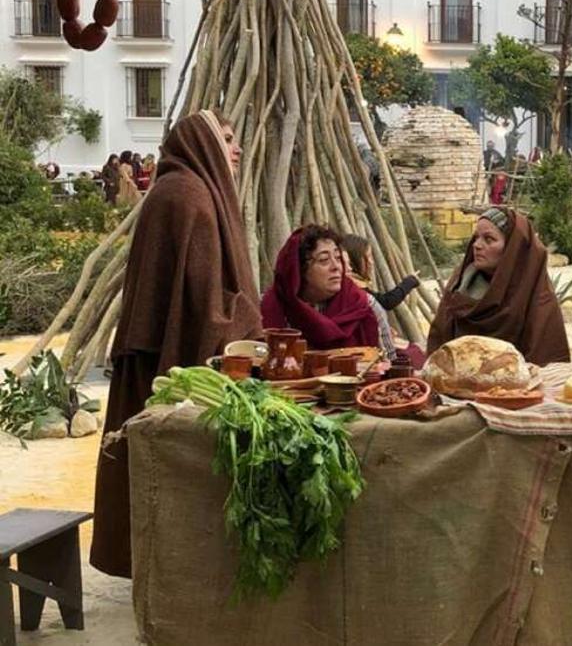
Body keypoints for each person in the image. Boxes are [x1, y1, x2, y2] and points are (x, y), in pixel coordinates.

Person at [91, 110, 263, 578]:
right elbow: (203, 310)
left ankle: (160, 569)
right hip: (167, 368)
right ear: (203, 142)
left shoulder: (177, 189)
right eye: (228, 138)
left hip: (157, 358)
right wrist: (249, 315)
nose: (237, 148)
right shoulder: (189, 198)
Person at [427, 207, 570, 365]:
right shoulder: (460, 285)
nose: (477, 245)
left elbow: (545, 360)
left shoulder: (535, 294)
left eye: (489, 239)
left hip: (515, 387)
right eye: (476, 238)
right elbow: (438, 344)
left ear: (513, 249)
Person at [261, 225, 396, 359]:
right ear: (299, 269)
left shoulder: (365, 305)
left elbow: (390, 364)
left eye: (338, 258)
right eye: (324, 260)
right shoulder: (272, 308)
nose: (336, 267)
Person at [341, 234, 421, 313]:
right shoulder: (353, 289)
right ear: (353, 260)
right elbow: (386, 302)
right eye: (367, 257)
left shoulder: (354, 285)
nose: (371, 262)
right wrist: (410, 281)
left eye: (371, 257)